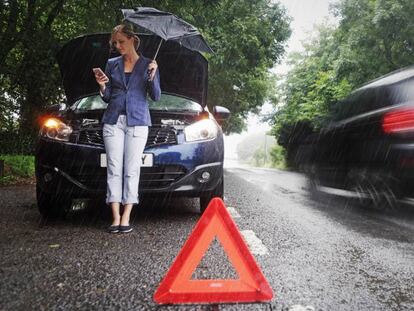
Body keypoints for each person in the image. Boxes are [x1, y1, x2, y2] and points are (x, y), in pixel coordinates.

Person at [94, 23, 161, 234]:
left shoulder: (149, 64)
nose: (118, 46)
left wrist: (153, 74)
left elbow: (156, 96)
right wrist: (102, 85)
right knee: (114, 168)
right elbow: (107, 97)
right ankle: (115, 217)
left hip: (139, 122)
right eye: (115, 42)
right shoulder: (111, 63)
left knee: (132, 170)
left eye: (121, 41)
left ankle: (126, 216)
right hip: (113, 120)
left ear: (133, 39)